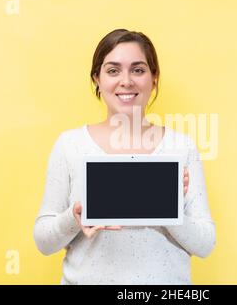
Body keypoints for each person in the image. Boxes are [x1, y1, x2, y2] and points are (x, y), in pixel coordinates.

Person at [33, 29, 216, 284]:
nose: (126, 81)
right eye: (113, 70)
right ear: (97, 78)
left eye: (138, 70)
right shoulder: (70, 145)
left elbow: (205, 244)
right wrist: (73, 218)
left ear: (154, 78)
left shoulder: (180, 147)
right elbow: (43, 241)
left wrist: (167, 206)